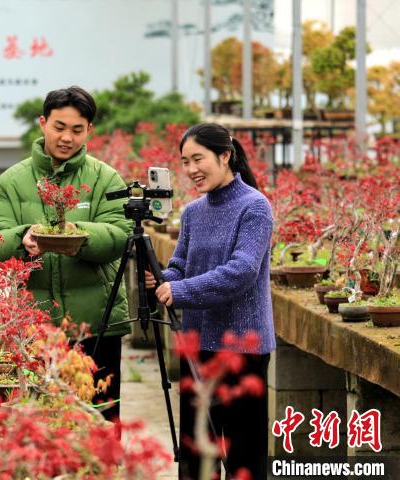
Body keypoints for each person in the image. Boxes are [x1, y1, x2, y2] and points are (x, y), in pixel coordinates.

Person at [0, 86, 132, 422]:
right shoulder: (12, 181)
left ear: (89, 130)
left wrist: (78, 236)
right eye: (59, 127)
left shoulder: (105, 179)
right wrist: (22, 237)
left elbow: (121, 234)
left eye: (77, 130)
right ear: (43, 123)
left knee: (100, 418)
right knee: (40, 420)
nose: (67, 137)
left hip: (97, 325)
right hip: (36, 327)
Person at [145, 123, 275, 480]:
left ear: (225, 156)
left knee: (243, 457)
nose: (191, 170)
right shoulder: (192, 212)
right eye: (185, 162)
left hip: (243, 349)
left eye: (198, 159)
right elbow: (181, 266)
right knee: (197, 452)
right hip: (197, 345)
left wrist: (181, 291)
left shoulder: (255, 207)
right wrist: (162, 278)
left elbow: (241, 271)